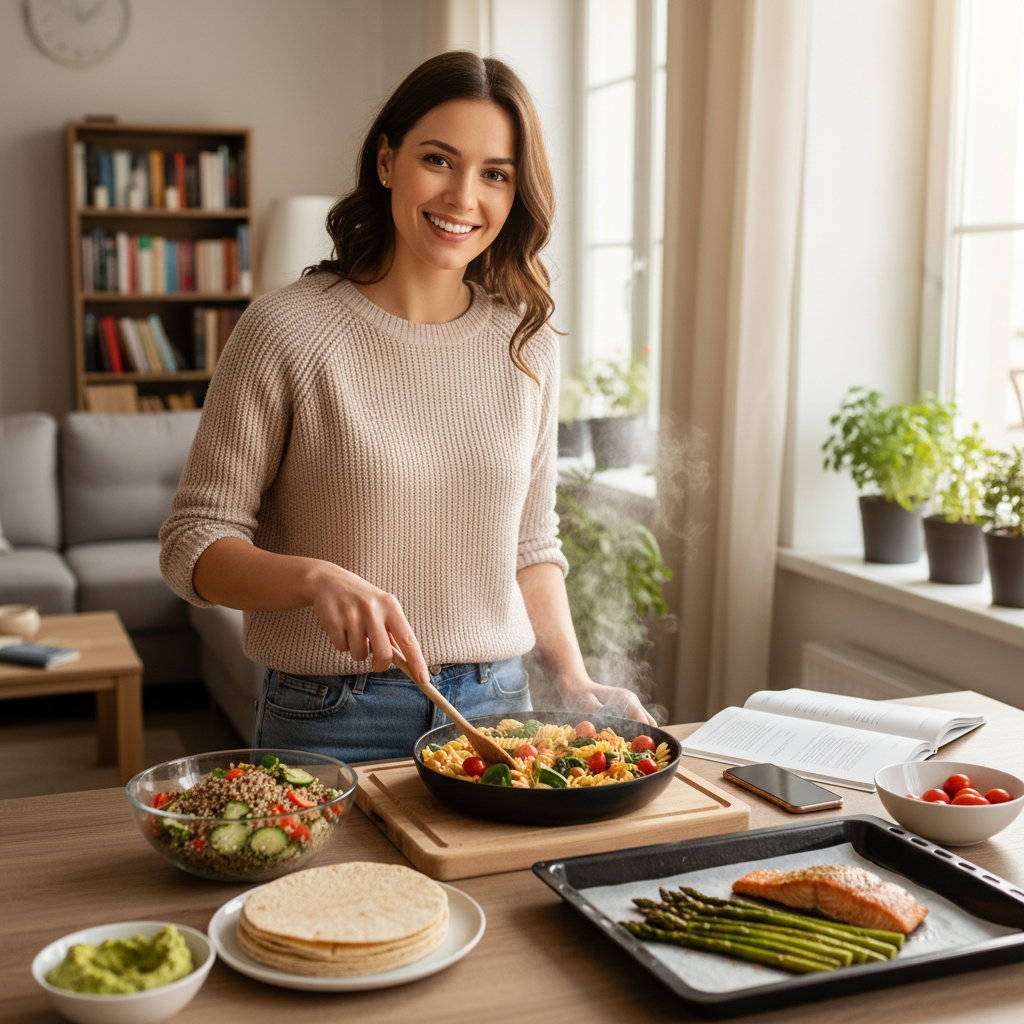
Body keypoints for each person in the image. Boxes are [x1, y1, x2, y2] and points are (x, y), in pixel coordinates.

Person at [159, 51, 656, 763]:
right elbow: (192, 545)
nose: (463, 196)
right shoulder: (284, 331)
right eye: (438, 160)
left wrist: (573, 678)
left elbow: (531, 544)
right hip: (331, 715)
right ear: (387, 161)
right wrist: (311, 578)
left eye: (495, 174)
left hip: (498, 709)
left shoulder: (527, 342)